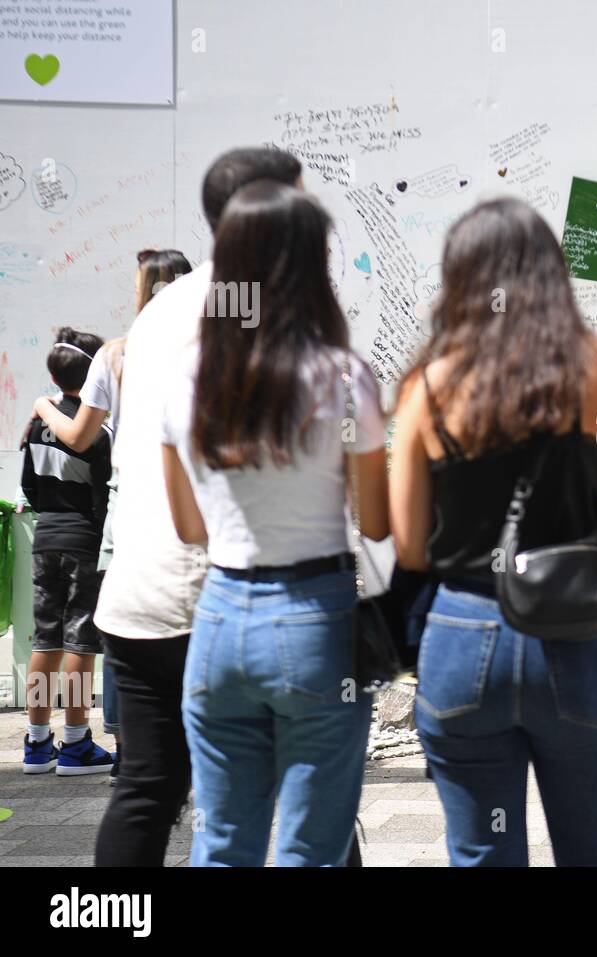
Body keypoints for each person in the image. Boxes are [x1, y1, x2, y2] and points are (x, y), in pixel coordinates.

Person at [389, 197, 597, 866]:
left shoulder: (429, 384)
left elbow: (408, 545)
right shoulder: (592, 360)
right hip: (572, 633)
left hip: (461, 639)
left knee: (481, 853)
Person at [160, 180, 387, 867]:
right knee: (311, 849)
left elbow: (188, 525)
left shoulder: (187, 375)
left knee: (222, 842)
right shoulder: (343, 376)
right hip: (316, 619)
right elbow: (375, 520)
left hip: (220, 622)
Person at [93, 148, 304, 867]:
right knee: (309, 788)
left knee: (148, 787)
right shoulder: (264, 307)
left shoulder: (161, 310)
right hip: (226, 595)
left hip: (138, 593)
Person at [34, 248, 193, 786]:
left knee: (63, 640)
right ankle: (85, 738)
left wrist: (40, 407)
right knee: (84, 641)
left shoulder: (117, 357)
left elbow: (72, 441)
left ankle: (46, 740)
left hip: (82, 529)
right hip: (175, 502)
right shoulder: (210, 350)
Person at [20, 329, 114, 776]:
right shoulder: (96, 428)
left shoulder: (39, 423)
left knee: (46, 638)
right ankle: (75, 744)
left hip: (46, 538)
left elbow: (29, 488)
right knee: (80, 638)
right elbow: (104, 494)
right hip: (84, 542)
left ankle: (37, 744)